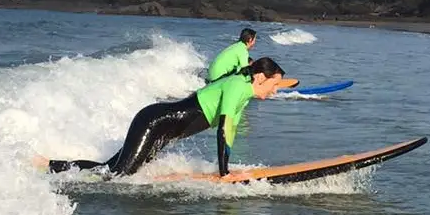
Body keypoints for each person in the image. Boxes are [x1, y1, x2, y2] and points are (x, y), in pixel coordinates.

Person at [33, 57, 286, 179]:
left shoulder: (244, 93)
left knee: (110, 171)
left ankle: (51, 166)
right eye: (274, 84)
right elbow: (222, 131)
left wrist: (227, 169)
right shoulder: (237, 87)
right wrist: (224, 173)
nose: (275, 90)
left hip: (161, 132)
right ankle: (49, 165)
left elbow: (228, 134)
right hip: (152, 123)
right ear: (260, 78)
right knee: (117, 176)